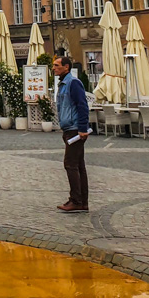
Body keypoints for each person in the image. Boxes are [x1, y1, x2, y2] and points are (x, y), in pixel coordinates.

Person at [54, 55, 90, 213]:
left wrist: (82, 128)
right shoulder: (63, 84)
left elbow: (82, 105)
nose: (54, 68)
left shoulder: (73, 83)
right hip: (70, 128)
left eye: (56, 65)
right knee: (79, 165)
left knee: (70, 164)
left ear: (66, 67)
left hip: (75, 129)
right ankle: (82, 201)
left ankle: (76, 200)